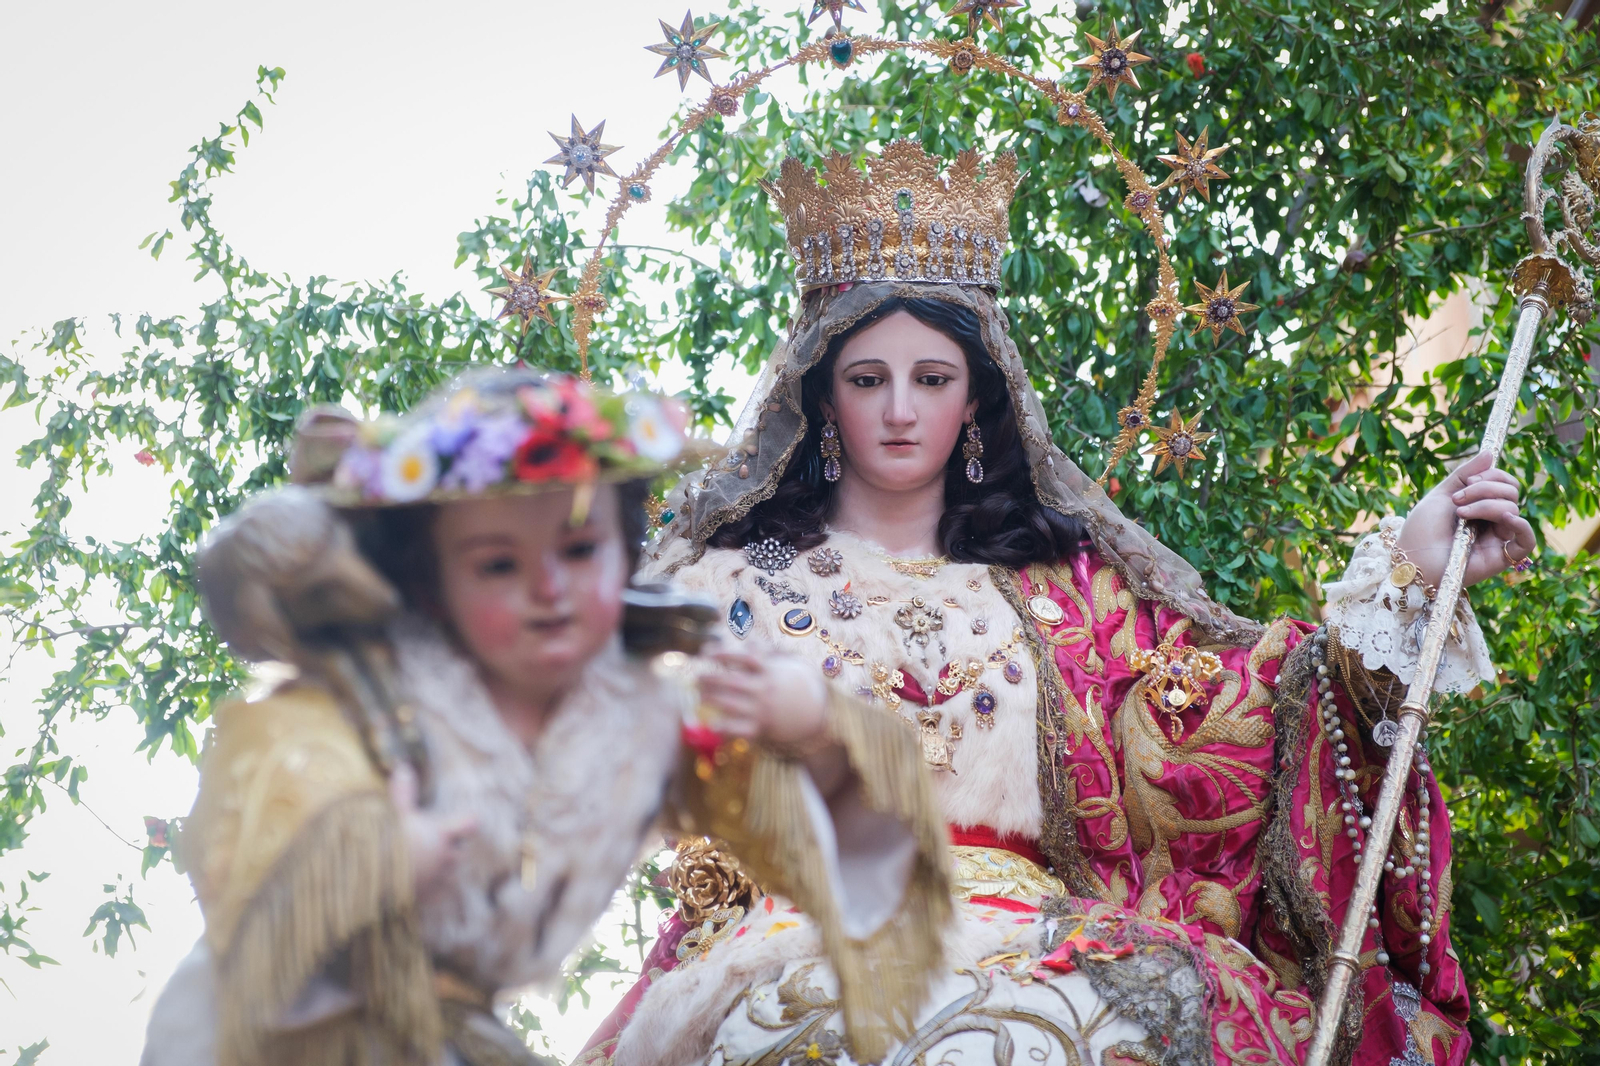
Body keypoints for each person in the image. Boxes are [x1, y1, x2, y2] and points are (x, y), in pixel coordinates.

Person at [588, 143, 1536, 1066]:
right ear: (824, 397)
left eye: (933, 379)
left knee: (1141, 1009)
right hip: (807, 931)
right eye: (868, 380)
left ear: (976, 401)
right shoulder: (730, 584)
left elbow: (1235, 723)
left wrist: (1405, 580)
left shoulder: (1069, 592)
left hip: (1040, 945)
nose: (901, 412)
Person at [138, 367, 950, 1066]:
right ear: (432, 586)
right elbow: (243, 887)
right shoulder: (356, 711)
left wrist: (810, 724)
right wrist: (369, 866)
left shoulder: (647, 717)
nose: (550, 591)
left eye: (578, 550)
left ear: (625, 552)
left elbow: (832, 852)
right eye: (498, 564)